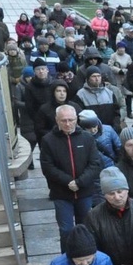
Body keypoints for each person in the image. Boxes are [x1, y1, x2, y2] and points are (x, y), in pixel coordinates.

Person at [40, 105, 103, 252]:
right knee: (66, 230)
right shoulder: (48, 140)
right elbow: (47, 167)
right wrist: (68, 181)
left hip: (84, 192)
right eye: (63, 120)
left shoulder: (87, 138)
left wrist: (80, 182)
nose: (67, 124)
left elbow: (95, 164)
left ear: (76, 120)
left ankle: (87, 256)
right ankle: (66, 259)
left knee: (86, 229)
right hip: (61, 193)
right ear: (57, 121)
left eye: (71, 120)